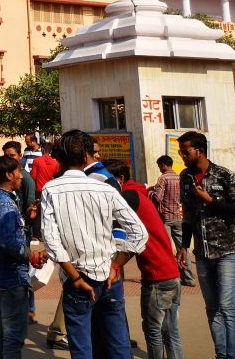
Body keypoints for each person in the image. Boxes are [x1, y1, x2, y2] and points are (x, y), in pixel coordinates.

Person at [39, 130, 148, 359]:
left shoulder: (52, 188)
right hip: (108, 276)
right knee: (117, 343)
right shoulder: (106, 188)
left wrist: (75, 277)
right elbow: (139, 233)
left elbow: (51, 240)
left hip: (78, 278)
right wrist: (116, 265)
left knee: (82, 347)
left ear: (60, 157)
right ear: (88, 156)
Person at [177, 130, 235, 359]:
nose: (182, 156)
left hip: (226, 251)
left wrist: (211, 201)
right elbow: (187, 214)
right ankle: (221, 353)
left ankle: (233, 355)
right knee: (212, 308)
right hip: (202, 253)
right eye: (180, 152)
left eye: (186, 151)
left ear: (199, 151)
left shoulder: (224, 176)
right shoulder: (185, 177)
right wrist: (183, 245)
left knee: (227, 306)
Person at [106, 161, 185, 359]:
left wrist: (115, 265)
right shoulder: (140, 194)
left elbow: (133, 239)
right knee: (170, 331)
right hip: (170, 273)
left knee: (153, 331)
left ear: (120, 179)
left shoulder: (128, 197)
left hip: (157, 276)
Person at [0, 155, 48, 358]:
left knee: (4, 332)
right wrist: (32, 255)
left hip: (4, 271)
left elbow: (10, 234)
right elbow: (10, 242)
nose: (22, 176)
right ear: (9, 175)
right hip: (13, 274)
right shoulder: (5, 204)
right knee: (13, 335)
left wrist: (27, 221)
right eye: (19, 172)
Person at [149, 155, 196, 286]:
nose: (159, 169)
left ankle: (168, 277)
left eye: (159, 166)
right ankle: (189, 278)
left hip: (166, 219)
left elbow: (157, 198)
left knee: (165, 249)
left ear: (164, 165)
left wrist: (151, 192)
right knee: (182, 249)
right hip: (178, 217)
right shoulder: (179, 177)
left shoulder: (163, 178)